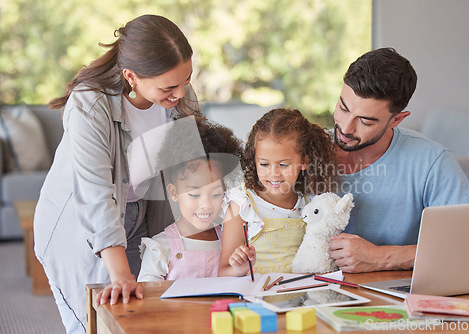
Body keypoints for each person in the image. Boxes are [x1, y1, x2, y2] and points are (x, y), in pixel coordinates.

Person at [33, 15, 200, 333]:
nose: (180, 93)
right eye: (169, 87)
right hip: (83, 225)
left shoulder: (176, 100)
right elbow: (96, 195)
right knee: (96, 322)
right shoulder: (90, 105)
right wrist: (121, 274)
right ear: (131, 76)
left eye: (186, 80)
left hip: (143, 215)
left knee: (143, 318)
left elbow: (190, 173)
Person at [328, 47, 469, 274]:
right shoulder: (301, 151)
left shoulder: (431, 162)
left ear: (396, 120)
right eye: (343, 108)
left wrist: (381, 257)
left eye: (366, 122)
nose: (346, 128)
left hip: (396, 296)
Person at [218, 108, 337, 276]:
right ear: (254, 160)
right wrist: (239, 268)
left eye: (283, 165)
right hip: (257, 300)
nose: (273, 173)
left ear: (304, 161)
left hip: (303, 300)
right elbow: (222, 273)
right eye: (264, 164)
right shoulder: (242, 206)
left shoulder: (311, 204)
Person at [138, 120, 243, 281]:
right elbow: (147, 303)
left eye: (215, 194)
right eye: (194, 195)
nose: (206, 205)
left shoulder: (229, 243)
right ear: (173, 192)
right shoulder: (160, 248)